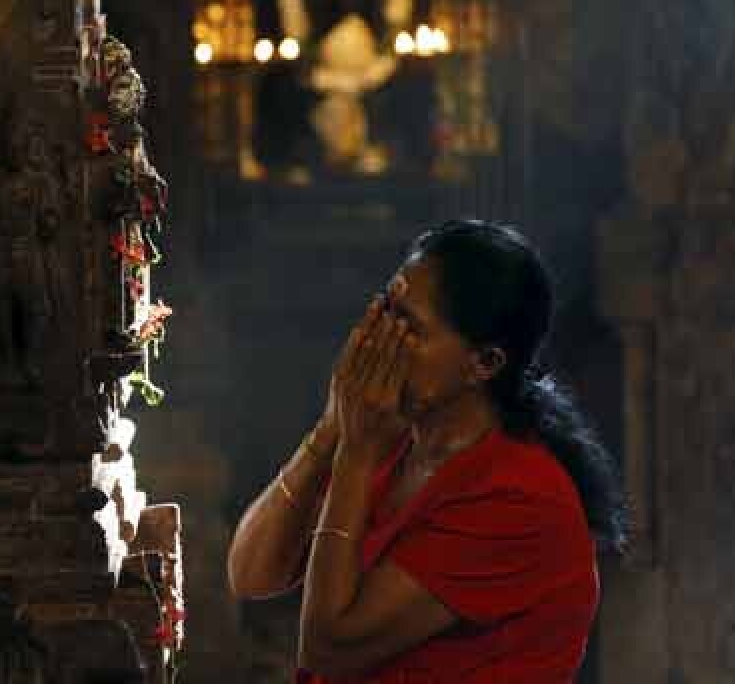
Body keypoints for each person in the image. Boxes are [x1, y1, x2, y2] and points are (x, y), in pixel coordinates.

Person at [227, 220, 627, 682]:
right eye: (386, 310)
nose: (379, 339)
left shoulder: (518, 499)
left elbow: (328, 648)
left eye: (408, 328)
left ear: (484, 363)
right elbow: (251, 574)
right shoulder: (398, 440)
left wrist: (356, 454)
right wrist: (331, 429)